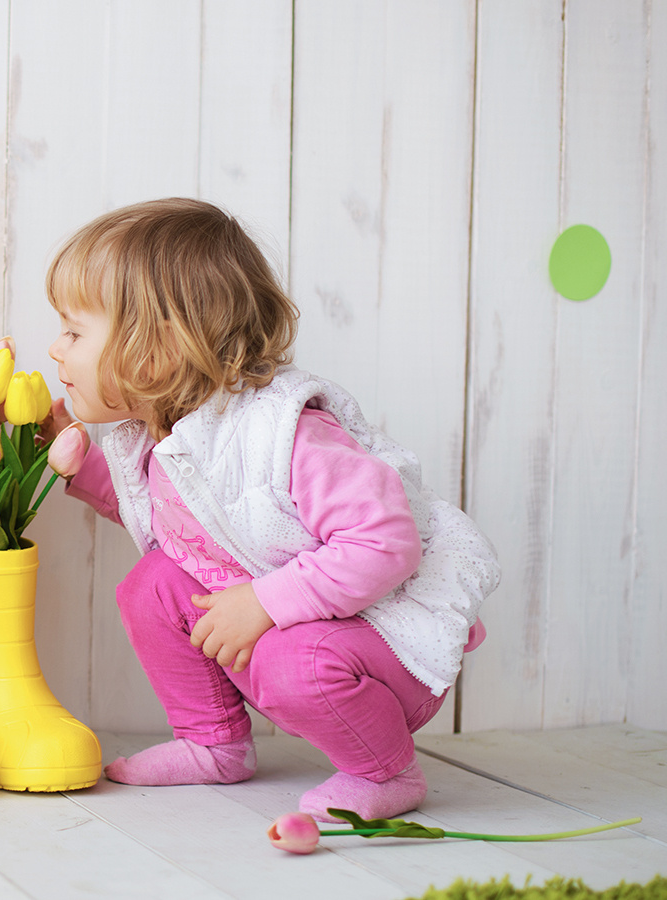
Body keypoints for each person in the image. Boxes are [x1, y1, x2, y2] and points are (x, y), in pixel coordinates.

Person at [43, 198, 500, 822]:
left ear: (156, 350)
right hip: (295, 625)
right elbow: (181, 526)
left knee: (293, 662)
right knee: (152, 584)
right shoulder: (164, 436)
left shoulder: (286, 435)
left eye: (73, 331)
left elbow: (386, 542)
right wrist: (71, 458)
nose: (54, 348)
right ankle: (214, 743)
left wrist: (265, 603)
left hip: (383, 644)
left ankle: (385, 771)